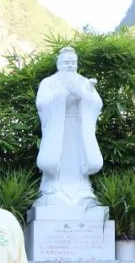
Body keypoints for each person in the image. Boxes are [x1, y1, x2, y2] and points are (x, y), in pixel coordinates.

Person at [34, 47, 104, 207]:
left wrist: (83, 95)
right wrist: (61, 95)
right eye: (66, 62)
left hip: (79, 129)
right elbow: (42, 103)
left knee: (78, 158)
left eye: (73, 62)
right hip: (58, 128)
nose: (70, 65)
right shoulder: (49, 82)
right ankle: (52, 188)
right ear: (59, 64)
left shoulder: (84, 82)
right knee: (58, 158)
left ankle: (83, 189)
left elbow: (97, 103)